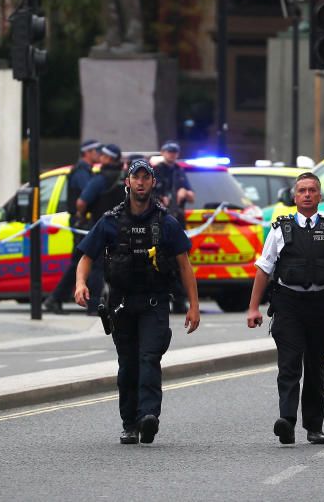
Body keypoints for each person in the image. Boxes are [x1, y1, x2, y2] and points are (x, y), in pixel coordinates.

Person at [74, 158, 201, 445]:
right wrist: (81, 283)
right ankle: (130, 423)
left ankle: (149, 416)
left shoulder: (166, 222)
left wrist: (194, 305)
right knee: (128, 364)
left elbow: (184, 265)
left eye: (146, 177)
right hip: (121, 304)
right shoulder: (110, 221)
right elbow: (86, 258)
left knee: (149, 358)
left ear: (153, 183)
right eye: (136, 177)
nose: (141, 182)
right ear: (127, 182)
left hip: (154, 303)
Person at [246, 172, 324, 445]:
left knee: (315, 366)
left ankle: (314, 427)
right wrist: (253, 308)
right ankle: (286, 421)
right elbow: (264, 268)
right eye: (302, 190)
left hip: (320, 305)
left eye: (312, 190)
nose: (307, 195)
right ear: (295, 197)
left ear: (319, 196)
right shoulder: (279, 229)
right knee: (290, 364)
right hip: (289, 304)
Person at [43, 138, 103, 314]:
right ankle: (61, 299)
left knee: (78, 262)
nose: (98, 154)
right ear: (87, 153)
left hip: (83, 222)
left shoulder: (87, 171)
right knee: (86, 261)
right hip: (81, 223)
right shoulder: (81, 172)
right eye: (95, 151)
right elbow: (86, 196)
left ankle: (55, 299)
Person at [72, 143, 126, 314]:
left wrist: (81, 215)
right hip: (124, 228)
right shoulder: (125, 177)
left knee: (96, 266)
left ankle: (94, 304)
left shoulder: (100, 179)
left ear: (108, 158)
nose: (100, 158)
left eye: (102, 155)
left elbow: (81, 202)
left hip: (102, 226)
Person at [153, 140, 194, 314]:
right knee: (163, 260)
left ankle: (179, 300)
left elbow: (192, 196)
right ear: (163, 152)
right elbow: (147, 194)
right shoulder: (156, 171)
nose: (172, 155)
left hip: (177, 220)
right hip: (160, 220)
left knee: (180, 261)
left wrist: (185, 192)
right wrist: (160, 198)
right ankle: (167, 297)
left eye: (175, 152)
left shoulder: (179, 171)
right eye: (169, 152)